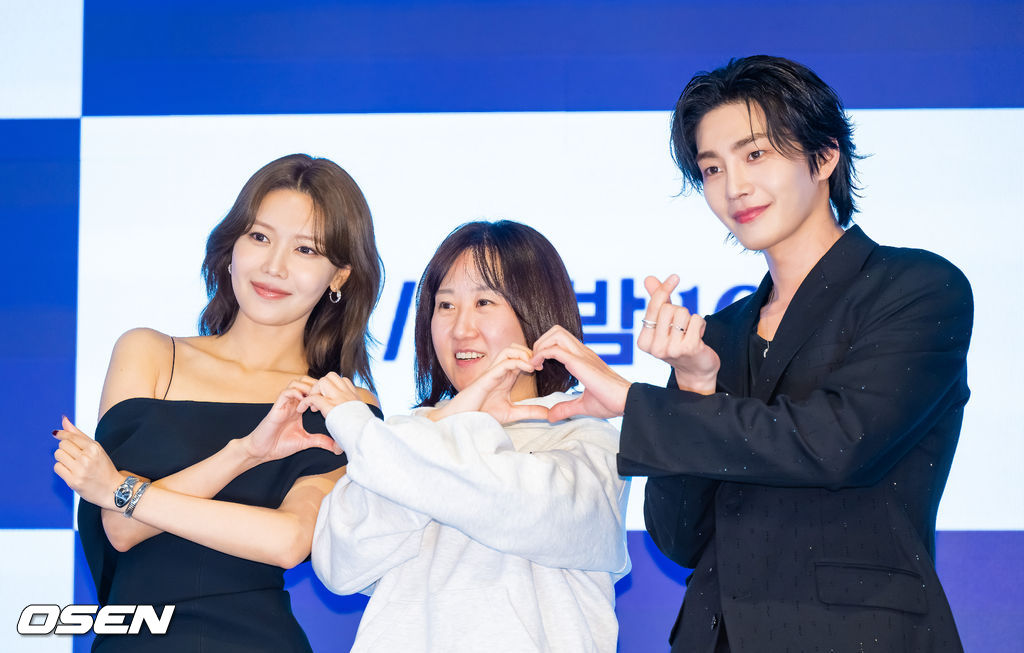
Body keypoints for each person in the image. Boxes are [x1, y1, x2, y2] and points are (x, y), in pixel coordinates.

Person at [530, 56, 972, 652]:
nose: (733, 186)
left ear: (825, 156)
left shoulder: (915, 287)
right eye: (712, 168)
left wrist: (641, 404)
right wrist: (693, 389)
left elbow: (838, 444)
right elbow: (679, 538)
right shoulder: (715, 335)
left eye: (755, 154)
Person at [52, 153, 383, 652]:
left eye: (306, 249)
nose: (273, 266)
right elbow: (120, 527)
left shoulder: (338, 401)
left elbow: (289, 541)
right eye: (260, 237)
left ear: (339, 276)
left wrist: (122, 489)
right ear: (231, 247)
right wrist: (245, 453)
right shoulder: (149, 354)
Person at [303, 220, 630, 652]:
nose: (461, 329)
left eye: (484, 302)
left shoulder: (586, 435)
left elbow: (514, 506)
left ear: (535, 309)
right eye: (445, 305)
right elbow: (338, 563)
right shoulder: (407, 434)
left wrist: (359, 427)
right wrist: (453, 418)